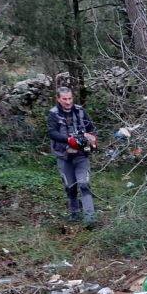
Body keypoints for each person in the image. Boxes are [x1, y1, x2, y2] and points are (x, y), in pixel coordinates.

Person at [47, 86, 98, 227]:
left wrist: (92, 139)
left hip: (82, 155)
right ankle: (74, 212)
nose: (68, 102)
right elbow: (52, 133)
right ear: (58, 99)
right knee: (70, 186)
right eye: (64, 99)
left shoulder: (80, 111)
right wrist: (69, 140)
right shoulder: (53, 114)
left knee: (84, 184)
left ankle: (90, 218)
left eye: (70, 98)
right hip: (64, 157)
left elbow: (92, 128)